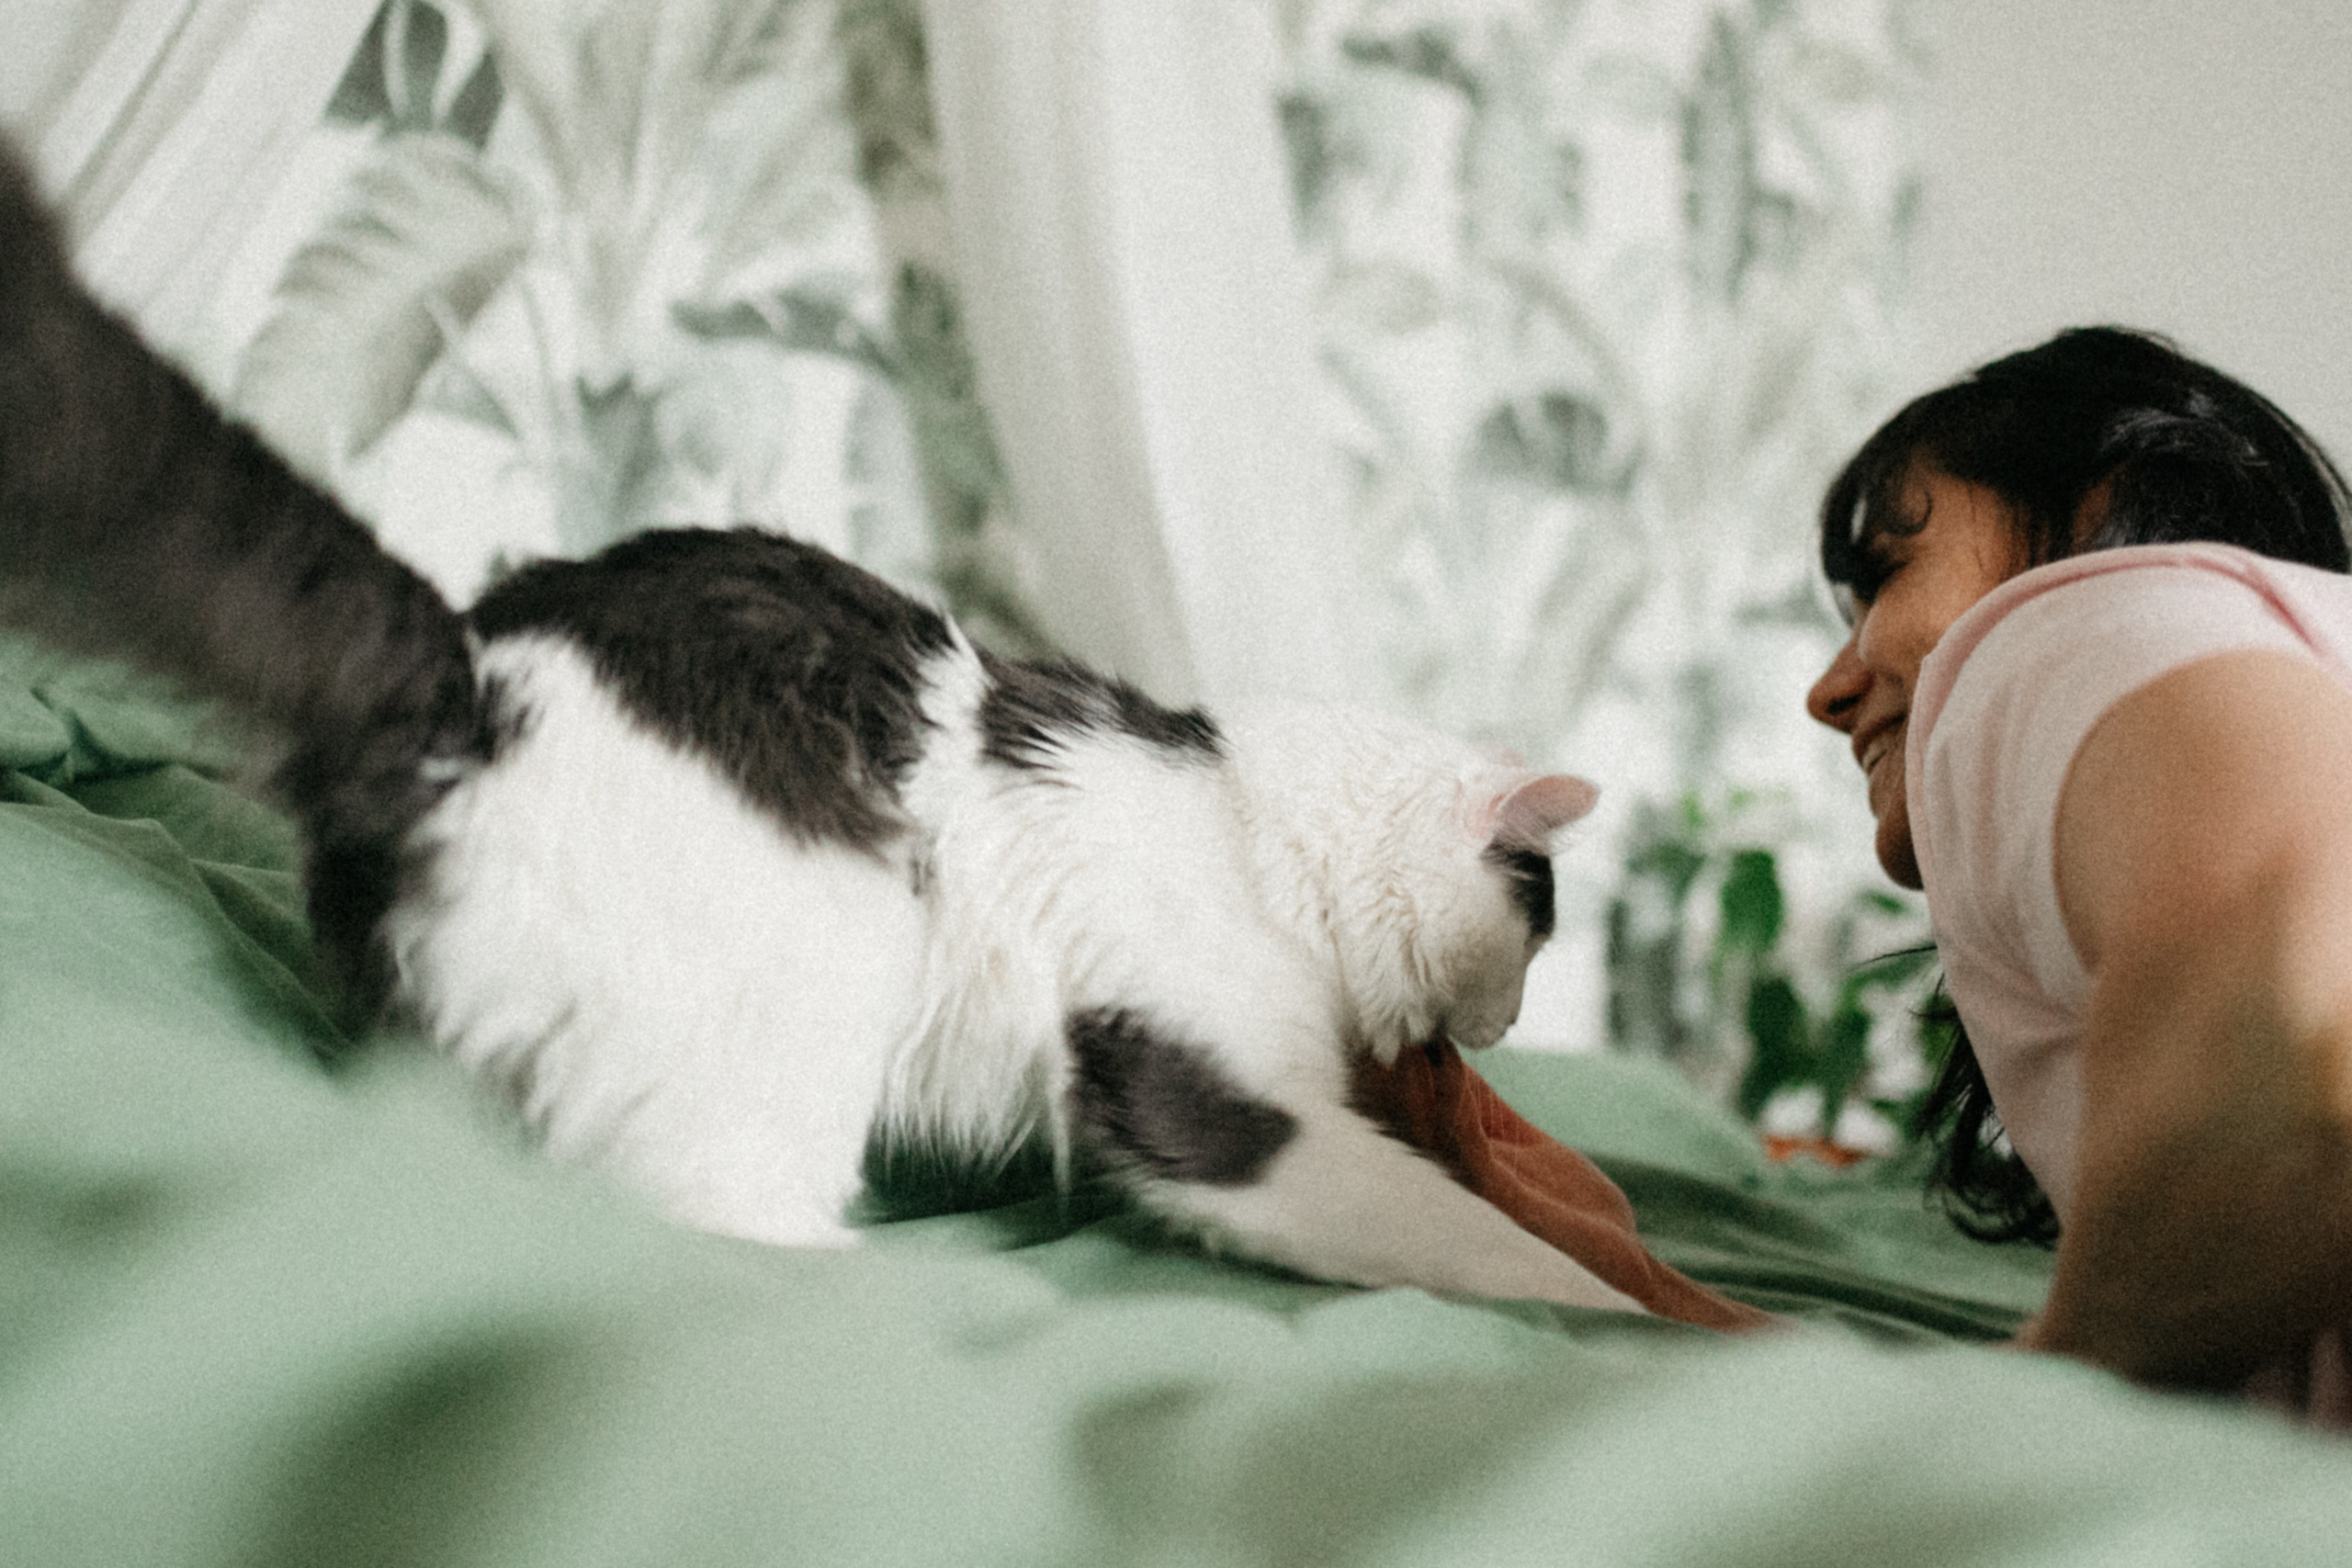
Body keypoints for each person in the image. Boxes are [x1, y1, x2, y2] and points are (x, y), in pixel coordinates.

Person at [1804, 327, 2352, 1419]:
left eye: (1882, 581)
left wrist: (2046, 1389)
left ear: (2102, 504)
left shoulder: (2063, 625)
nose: (1826, 689)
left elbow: (2298, 1073)